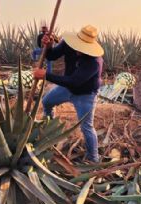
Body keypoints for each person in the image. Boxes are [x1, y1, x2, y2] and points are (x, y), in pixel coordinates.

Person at [33, 25, 104, 163]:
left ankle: (93, 160)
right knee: (47, 102)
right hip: (67, 88)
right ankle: (49, 130)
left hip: (85, 94)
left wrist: (46, 75)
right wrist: (46, 42)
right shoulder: (68, 43)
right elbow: (52, 55)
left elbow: (74, 81)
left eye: (83, 48)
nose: (79, 50)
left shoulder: (95, 62)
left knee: (87, 127)